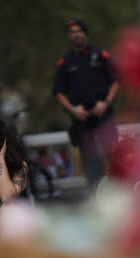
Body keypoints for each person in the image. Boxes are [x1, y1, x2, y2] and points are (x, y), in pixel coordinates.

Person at [53, 18, 119, 188]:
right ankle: (94, 199)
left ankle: (118, 194)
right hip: (81, 120)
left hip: (102, 116)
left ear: (85, 33)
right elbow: (58, 92)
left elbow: (116, 80)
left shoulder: (100, 55)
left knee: (112, 158)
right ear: (69, 36)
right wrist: (73, 110)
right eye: (72, 32)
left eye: (78, 31)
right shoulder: (65, 61)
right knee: (90, 166)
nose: (76, 35)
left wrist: (105, 103)